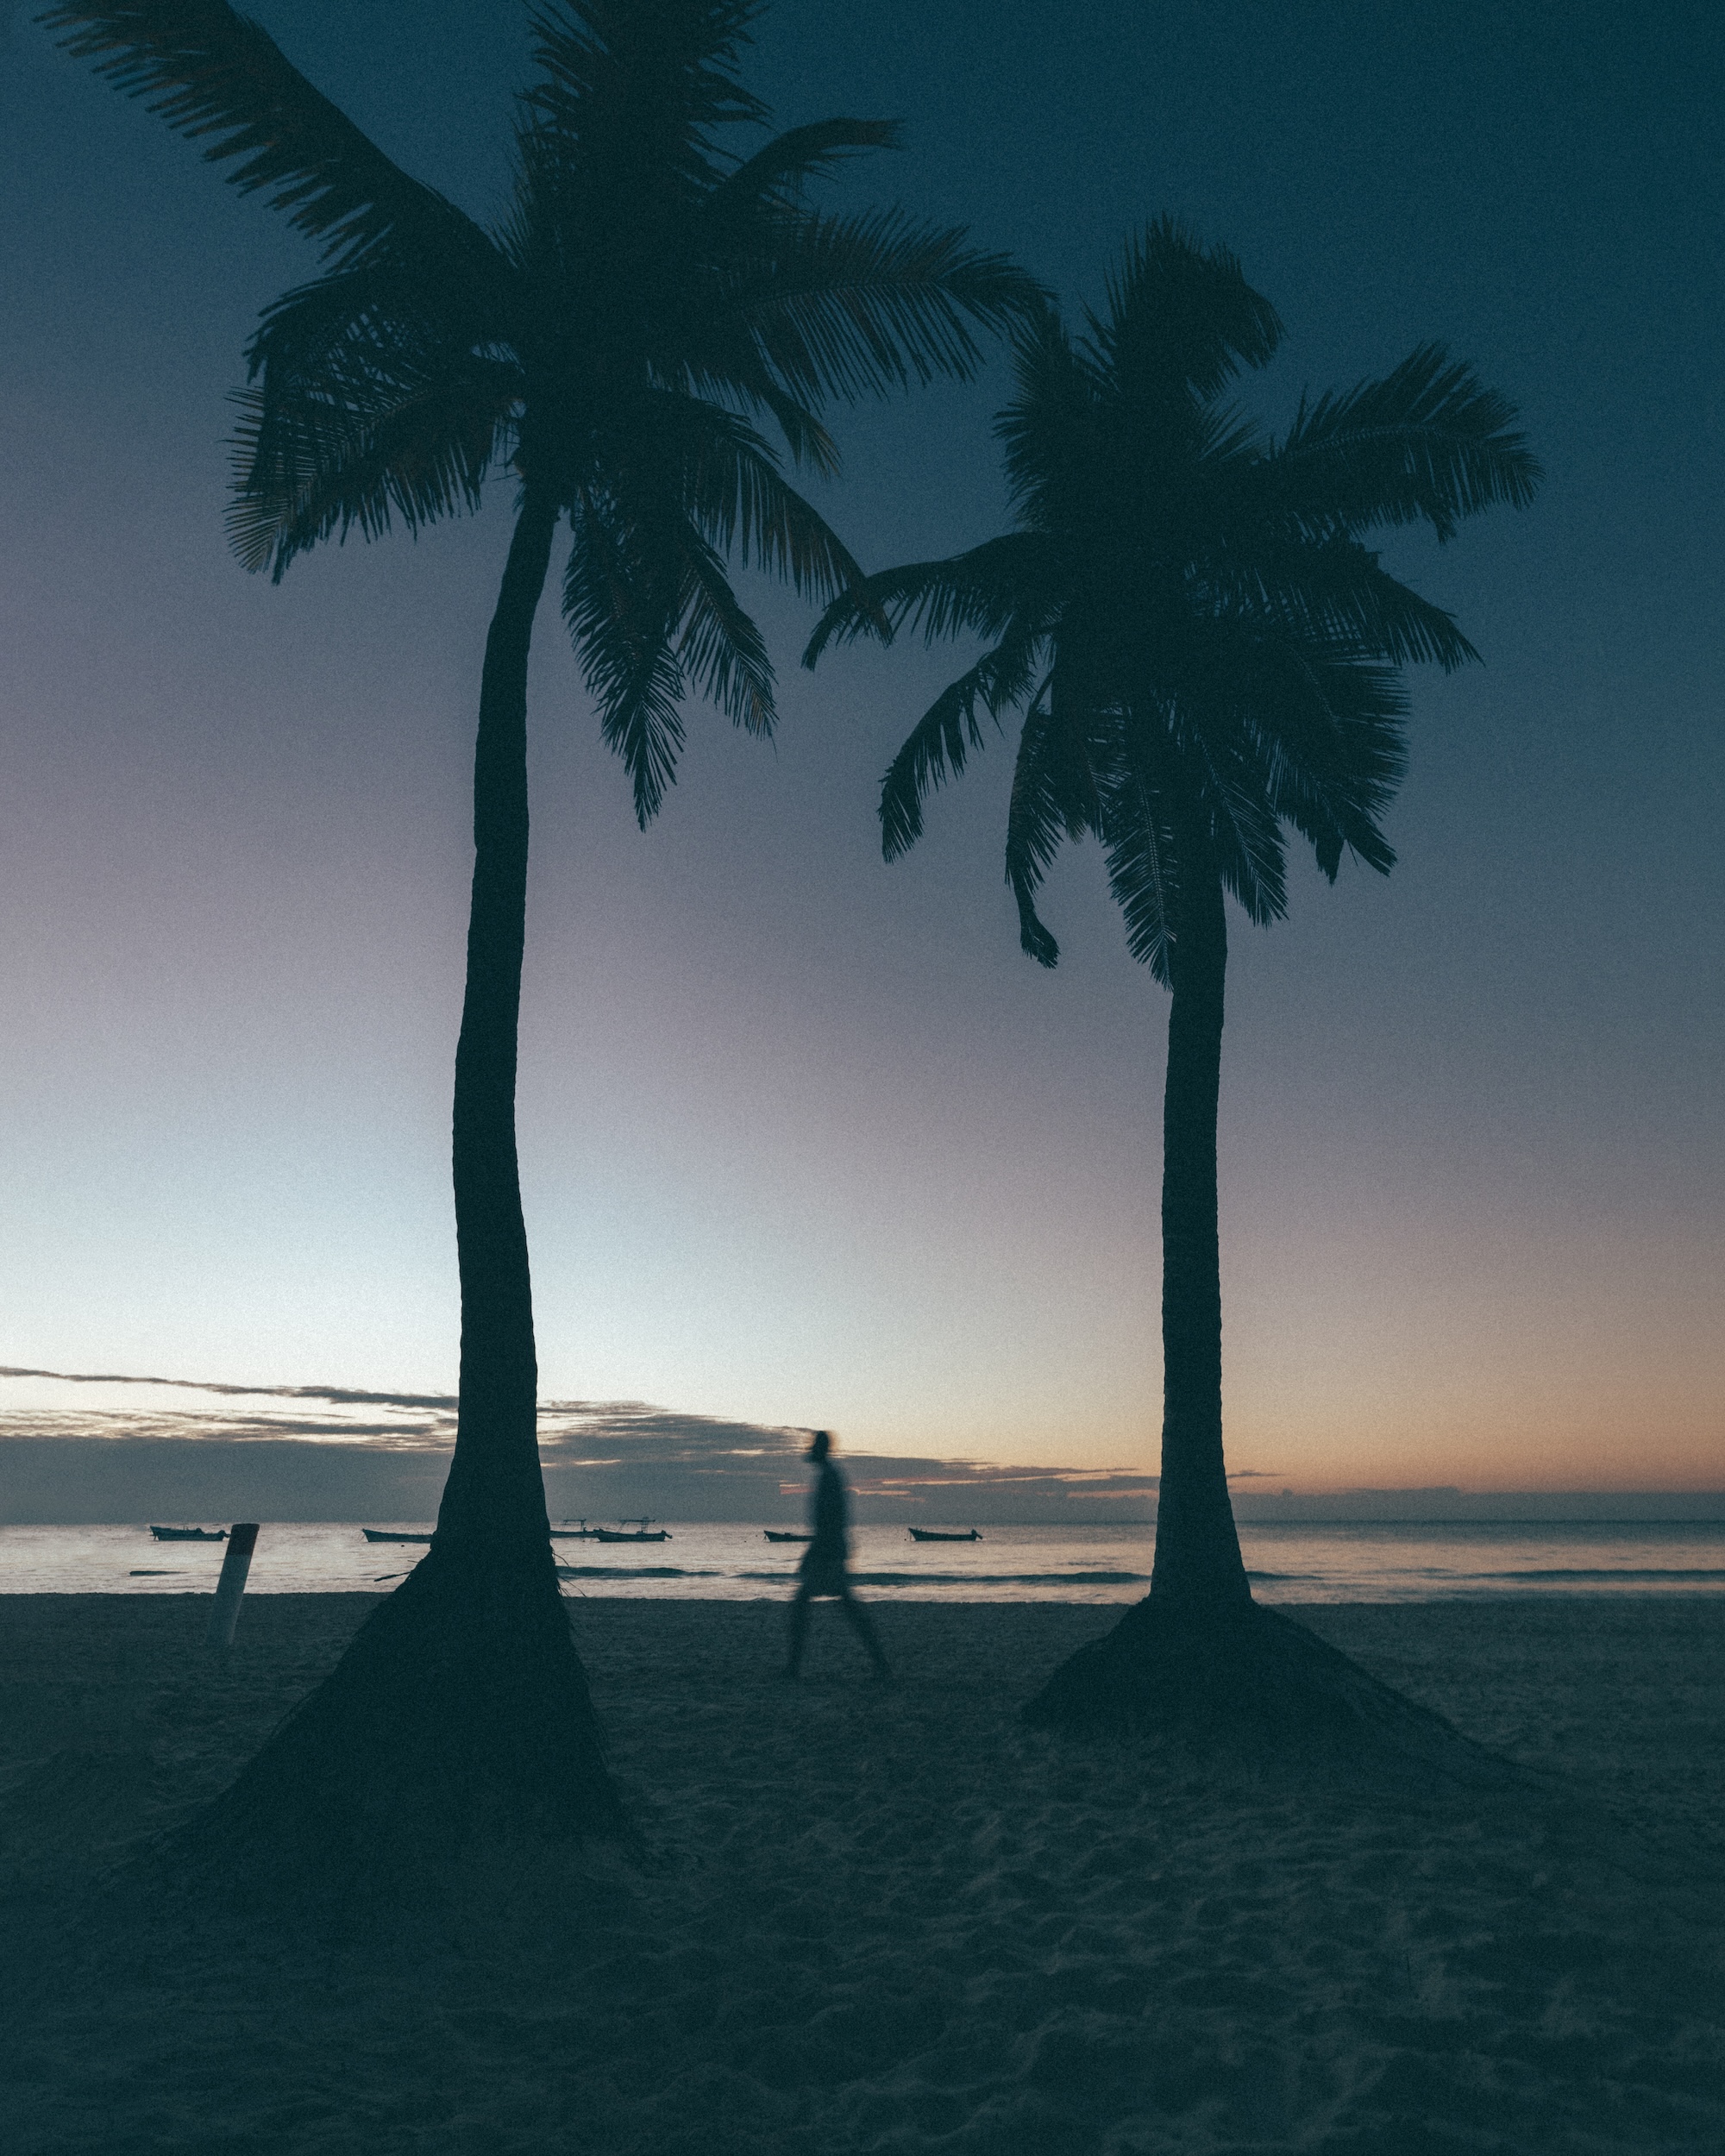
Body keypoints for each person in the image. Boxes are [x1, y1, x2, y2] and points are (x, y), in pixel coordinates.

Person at [784, 1431, 889, 1678]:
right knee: (844, 1608)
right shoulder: (829, 1475)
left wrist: (817, 1550)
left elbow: (830, 1520)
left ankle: (793, 1668)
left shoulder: (829, 1477)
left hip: (828, 1551)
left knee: (817, 1606)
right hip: (830, 1549)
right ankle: (881, 1664)